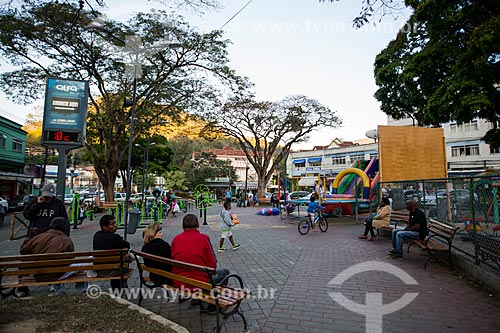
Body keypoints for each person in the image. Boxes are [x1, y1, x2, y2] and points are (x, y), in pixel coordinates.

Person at [19, 217, 75, 295]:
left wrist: (30, 238)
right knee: (81, 265)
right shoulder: (66, 240)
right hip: (56, 275)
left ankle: (21, 290)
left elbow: (23, 251)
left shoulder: (38, 237)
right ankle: (81, 289)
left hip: (37, 274)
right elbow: (71, 258)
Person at [93, 214, 130, 290]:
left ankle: (117, 288)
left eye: (115, 223)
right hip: (113, 269)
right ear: (104, 227)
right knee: (124, 267)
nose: (115, 225)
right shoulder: (114, 238)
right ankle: (120, 288)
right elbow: (127, 245)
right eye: (112, 224)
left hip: (99, 268)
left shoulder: (97, 236)